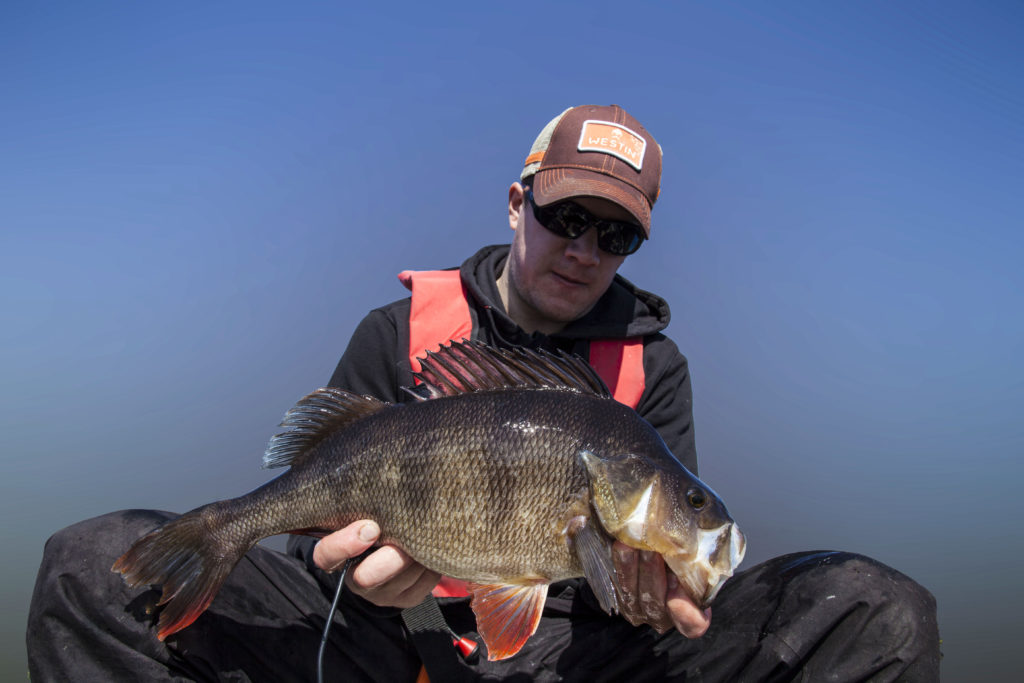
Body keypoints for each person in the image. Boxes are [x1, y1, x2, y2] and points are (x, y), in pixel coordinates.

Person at [27, 105, 940, 681]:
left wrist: (660, 584)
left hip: (584, 651)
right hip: (389, 638)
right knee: (87, 566)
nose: (583, 249)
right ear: (516, 203)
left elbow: (659, 553)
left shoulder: (653, 369)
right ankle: (219, 541)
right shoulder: (393, 332)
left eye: (614, 235)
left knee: (875, 608)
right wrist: (345, 568)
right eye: (566, 216)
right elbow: (314, 510)